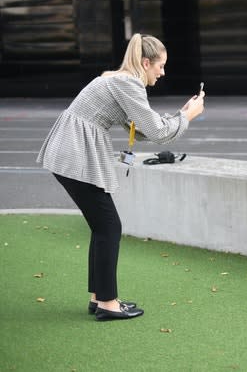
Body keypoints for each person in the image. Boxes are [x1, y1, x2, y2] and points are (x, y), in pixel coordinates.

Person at [37, 33, 205, 321]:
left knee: (103, 226)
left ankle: (99, 297)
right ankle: (107, 303)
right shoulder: (128, 83)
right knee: (109, 226)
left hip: (71, 152)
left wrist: (181, 113)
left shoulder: (118, 81)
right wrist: (188, 117)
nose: (162, 73)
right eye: (160, 66)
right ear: (145, 62)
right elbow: (158, 133)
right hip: (75, 153)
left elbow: (141, 129)